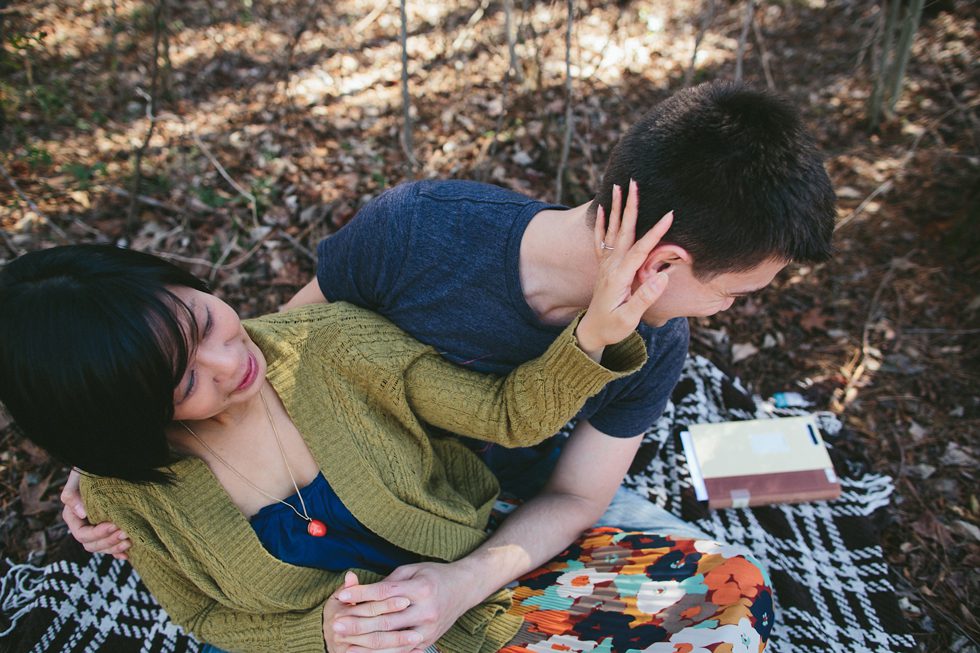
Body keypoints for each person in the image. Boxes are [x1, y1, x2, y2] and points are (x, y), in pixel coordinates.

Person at [61, 80, 832, 649]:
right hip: (357, 543)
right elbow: (270, 357)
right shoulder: (417, 234)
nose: (725, 312)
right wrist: (109, 441)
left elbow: (572, 496)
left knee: (731, 594)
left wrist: (462, 580)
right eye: (733, 293)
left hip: (508, 534)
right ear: (663, 261)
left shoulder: (654, 342)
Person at [0, 222, 668, 652]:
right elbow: (204, 615)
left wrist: (593, 337)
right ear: (129, 418)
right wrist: (316, 633)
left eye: (202, 320)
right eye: (186, 384)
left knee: (725, 592)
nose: (231, 363)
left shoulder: (331, 345)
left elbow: (505, 415)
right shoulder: (127, 496)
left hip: (482, 595)